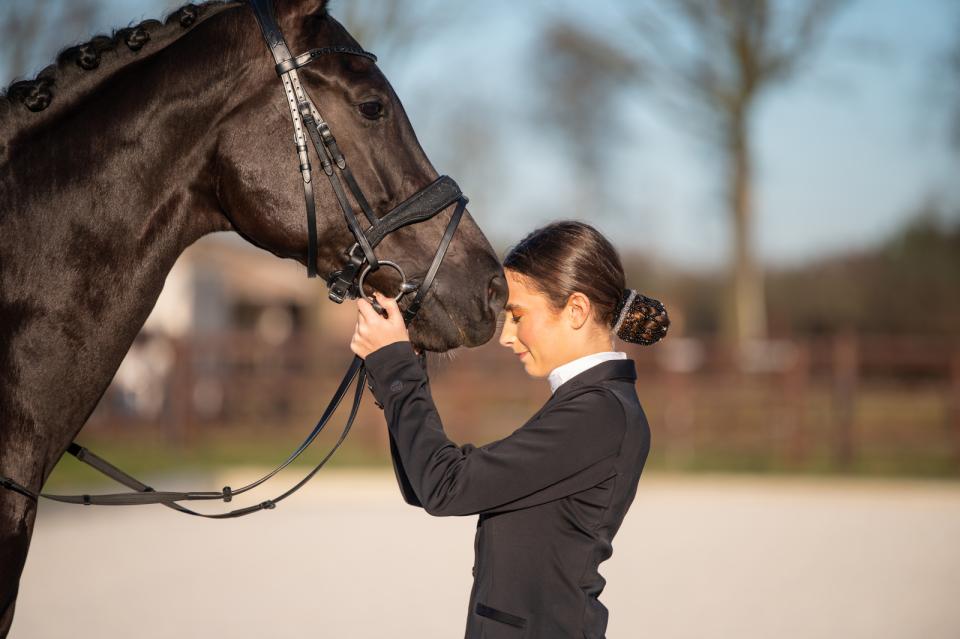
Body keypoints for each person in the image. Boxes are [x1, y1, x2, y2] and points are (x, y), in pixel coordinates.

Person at [351, 220, 669, 639]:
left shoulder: (601, 414)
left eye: (518, 316)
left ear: (576, 310)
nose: (507, 336)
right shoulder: (589, 405)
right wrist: (405, 363)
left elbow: (446, 486)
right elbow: (426, 483)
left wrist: (395, 367)